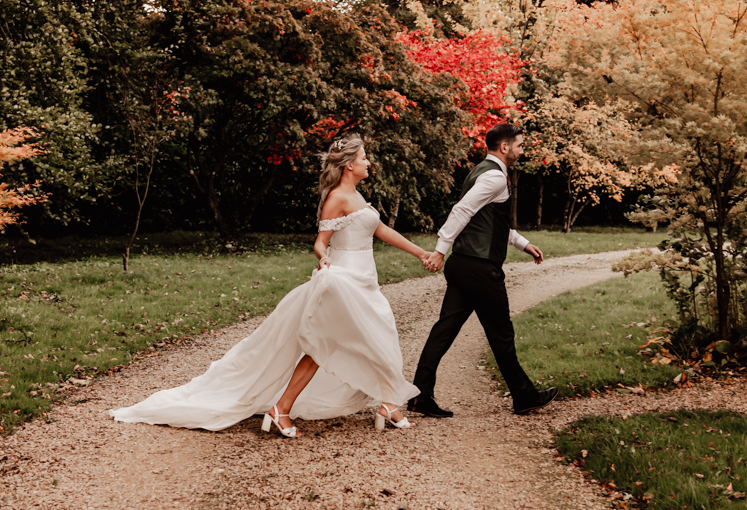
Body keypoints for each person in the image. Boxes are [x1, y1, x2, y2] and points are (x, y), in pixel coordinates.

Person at [110, 136, 425, 437]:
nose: (368, 162)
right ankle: (287, 407)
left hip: (365, 280)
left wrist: (421, 252)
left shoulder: (358, 198)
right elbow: (320, 242)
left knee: (374, 337)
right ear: (348, 166)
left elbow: (381, 230)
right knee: (329, 345)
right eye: (363, 158)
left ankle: (384, 404)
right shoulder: (337, 198)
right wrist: (323, 259)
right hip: (343, 280)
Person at [408, 123, 558, 418]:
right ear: (505, 147)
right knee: (501, 334)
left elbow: (491, 221)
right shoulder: (494, 177)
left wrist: (523, 244)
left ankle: (420, 395)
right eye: (520, 145)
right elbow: (462, 211)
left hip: (464, 265)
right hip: (479, 269)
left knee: (444, 331)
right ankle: (524, 396)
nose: (522, 150)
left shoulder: (482, 171)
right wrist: (439, 250)